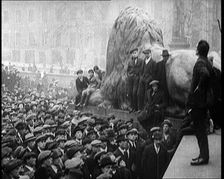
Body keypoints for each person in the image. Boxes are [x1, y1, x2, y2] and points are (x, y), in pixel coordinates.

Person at [187, 40, 212, 165]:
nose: (195, 48)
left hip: (198, 104)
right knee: (201, 130)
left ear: (199, 50)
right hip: (203, 103)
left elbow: (205, 74)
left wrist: (198, 88)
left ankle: (203, 157)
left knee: (200, 131)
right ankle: (203, 155)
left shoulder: (200, 62)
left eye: (197, 46)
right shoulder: (207, 61)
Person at [127, 48, 143, 112]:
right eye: (133, 53)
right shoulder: (130, 62)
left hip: (137, 78)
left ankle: (136, 107)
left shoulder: (141, 61)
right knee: (130, 93)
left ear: (138, 53)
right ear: (132, 55)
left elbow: (142, 70)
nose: (134, 54)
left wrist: (139, 77)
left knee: (135, 93)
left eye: (135, 53)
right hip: (131, 79)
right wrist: (129, 75)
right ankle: (132, 107)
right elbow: (128, 70)